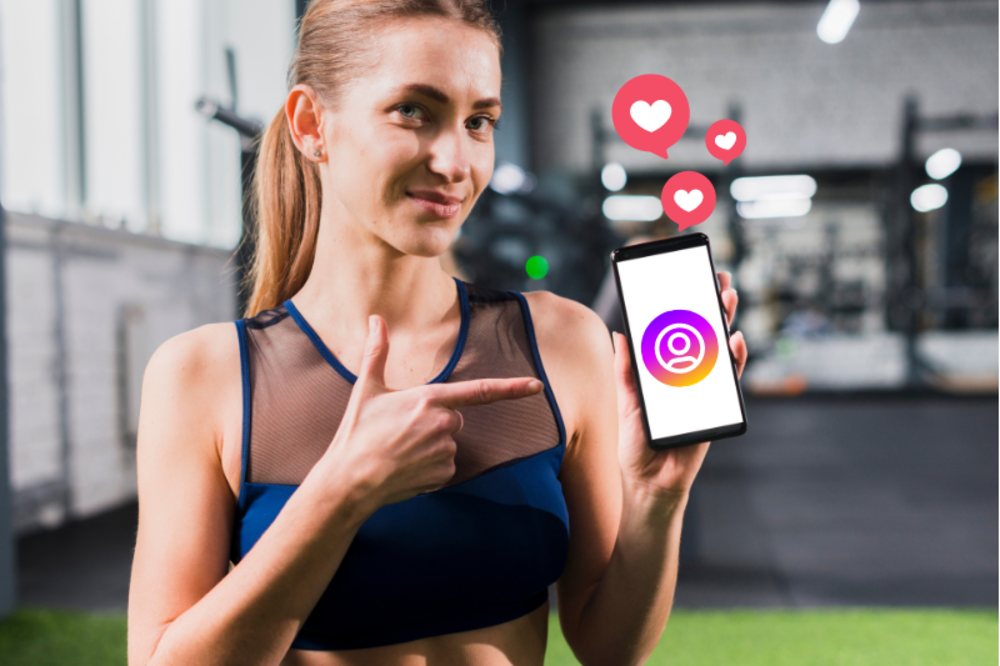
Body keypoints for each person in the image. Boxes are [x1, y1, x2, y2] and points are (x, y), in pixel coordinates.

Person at [126, 1, 747, 664]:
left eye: (479, 121)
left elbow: (606, 645)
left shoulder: (563, 342)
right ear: (312, 124)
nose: (456, 161)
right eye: (414, 111)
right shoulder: (205, 375)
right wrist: (341, 492)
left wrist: (657, 499)